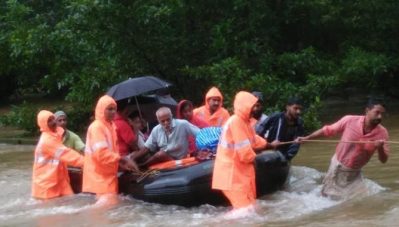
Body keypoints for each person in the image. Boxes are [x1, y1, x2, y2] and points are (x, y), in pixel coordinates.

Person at [297, 98, 389, 200]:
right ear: (367, 110)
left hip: (355, 172)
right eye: (377, 112)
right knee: (325, 198)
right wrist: (308, 138)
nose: (380, 116)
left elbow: (384, 160)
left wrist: (379, 148)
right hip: (338, 167)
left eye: (382, 114)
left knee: (359, 202)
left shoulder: (382, 133)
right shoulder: (349, 120)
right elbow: (327, 130)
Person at [212, 91, 276, 217]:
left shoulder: (244, 122)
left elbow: (254, 139)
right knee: (245, 212)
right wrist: (257, 160)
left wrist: (268, 144)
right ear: (246, 106)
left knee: (250, 209)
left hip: (239, 174)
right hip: (232, 175)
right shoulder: (236, 122)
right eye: (254, 106)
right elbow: (245, 153)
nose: (256, 109)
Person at [82, 95, 138, 204]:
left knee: (110, 209)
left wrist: (121, 164)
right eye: (109, 109)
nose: (113, 112)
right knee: (106, 210)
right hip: (100, 176)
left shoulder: (111, 126)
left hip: (108, 174)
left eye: (114, 109)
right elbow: (101, 154)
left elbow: (112, 152)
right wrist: (123, 160)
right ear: (101, 110)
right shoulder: (97, 127)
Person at [32, 110, 84, 199]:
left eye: (53, 119)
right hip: (47, 185)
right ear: (43, 124)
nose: (53, 122)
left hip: (60, 179)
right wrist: (89, 162)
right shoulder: (47, 140)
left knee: (71, 203)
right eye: (49, 121)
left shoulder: (56, 135)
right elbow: (67, 154)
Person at [132, 107, 200, 166]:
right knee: (138, 155)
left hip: (181, 159)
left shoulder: (183, 124)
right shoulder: (156, 130)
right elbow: (146, 148)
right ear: (158, 121)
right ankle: (141, 166)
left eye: (168, 120)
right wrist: (132, 159)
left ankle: (142, 166)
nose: (166, 123)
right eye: (163, 121)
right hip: (165, 161)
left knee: (160, 154)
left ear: (171, 116)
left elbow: (200, 134)